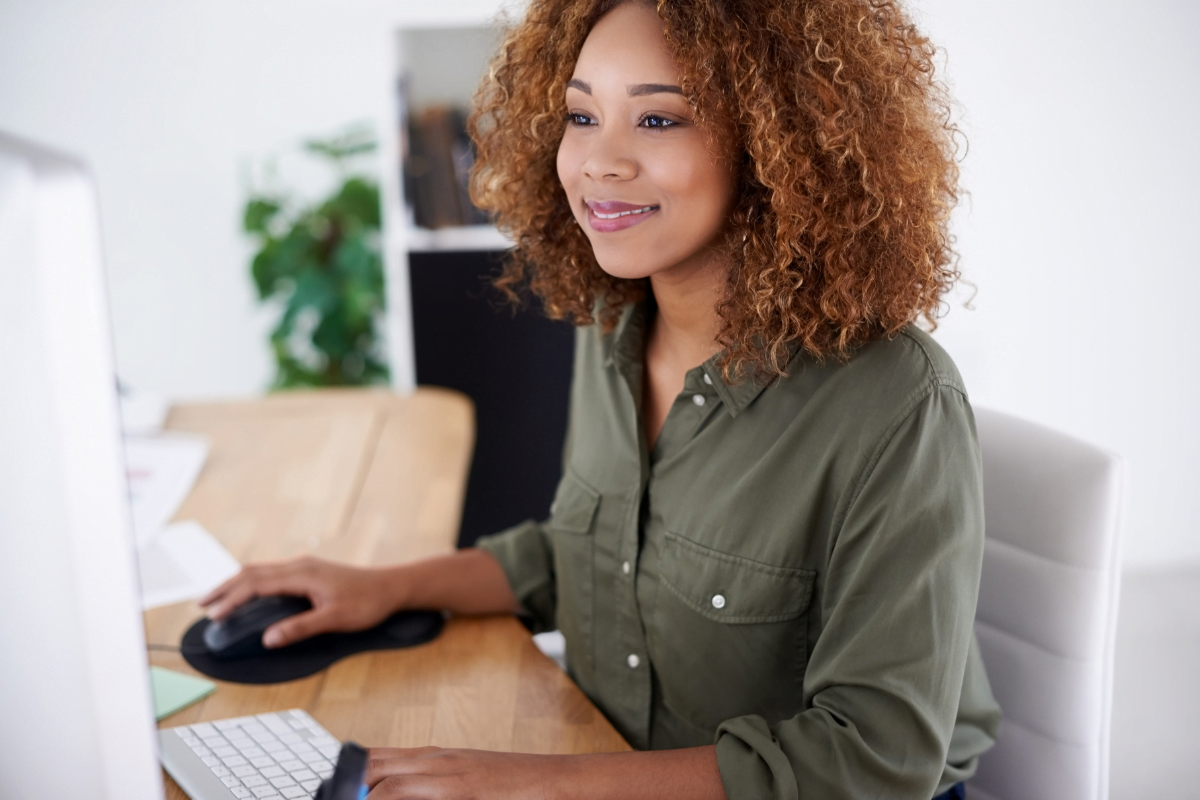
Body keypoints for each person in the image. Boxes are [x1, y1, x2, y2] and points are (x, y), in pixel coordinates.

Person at [202, 0, 1002, 797]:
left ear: (779, 144)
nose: (598, 162)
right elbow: (592, 555)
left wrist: (531, 786)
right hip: (605, 756)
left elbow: (875, 761)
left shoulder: (895, 404)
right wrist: (385, 587)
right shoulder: (615, 322)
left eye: (658, 122)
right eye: (581, 116)